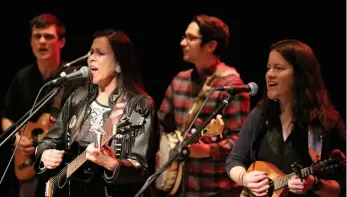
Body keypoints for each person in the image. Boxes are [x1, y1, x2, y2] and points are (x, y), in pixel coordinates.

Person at [34, 29, 158, 197]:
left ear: (119, 63)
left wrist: (112, 164)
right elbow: (51, 140)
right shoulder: (78, 97)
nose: (91, 58)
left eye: (100, 53)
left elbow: (143, 168)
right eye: (91, 52)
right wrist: (44, 154)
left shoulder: (139, 105)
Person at [226, 39, 346, 197]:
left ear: (300, 75)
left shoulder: (325, 122)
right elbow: (234, 160)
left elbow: (342, 186)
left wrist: (316, 185)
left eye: (279, 68)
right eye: (268, 68)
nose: (270, 74)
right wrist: (245, 178)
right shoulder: (260, 115)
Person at [157, 14, 251, 197]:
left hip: (215, 189)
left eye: (191, 38)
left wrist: (208, 149)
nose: (183, 43)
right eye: (184, 37)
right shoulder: (180, 80)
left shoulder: (232, 87)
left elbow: (239, 141)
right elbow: (160, 124)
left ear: (211, 45)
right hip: (179, 185)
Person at [1, 13, 84, 197]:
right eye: (37, 36)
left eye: (48, 36)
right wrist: (16, 138)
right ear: (30, 42)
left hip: (61, 165)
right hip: (28, 166)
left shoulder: (73, 78)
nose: (42, 42)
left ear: (61, 42)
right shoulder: (22, 77)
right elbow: (7, 117)